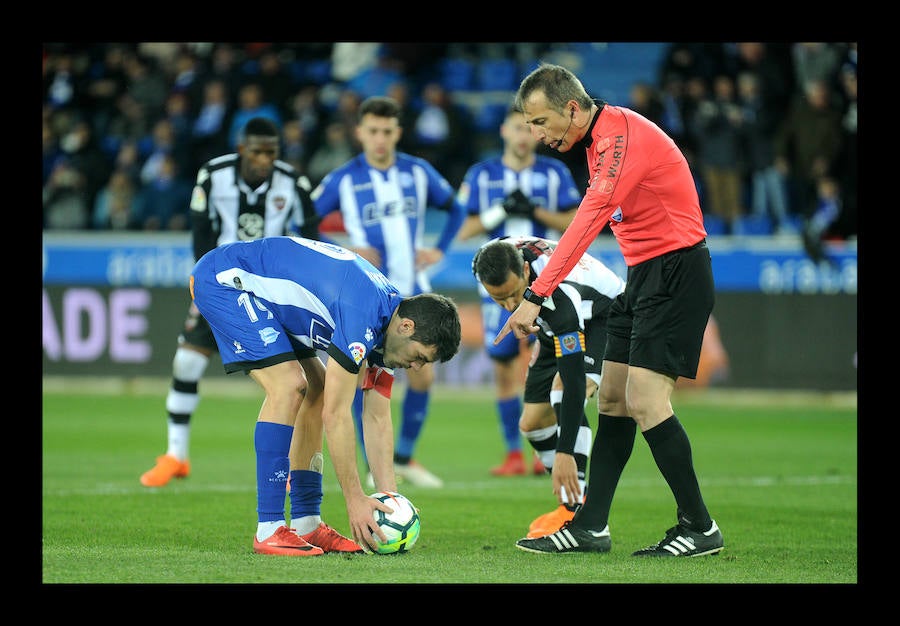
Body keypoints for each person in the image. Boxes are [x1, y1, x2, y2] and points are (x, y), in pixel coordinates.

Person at [500, 63, 724, 557]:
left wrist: (536, 295)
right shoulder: (599, 139)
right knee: (614, 400)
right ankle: (591, 526)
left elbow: (588, 220)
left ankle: (699, 526)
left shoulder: (618, 137)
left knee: (645, 400)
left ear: (572, 109)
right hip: (643, 275)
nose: (536, 135)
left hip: (676, 272)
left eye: (539, 122)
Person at [189, 235, 461, 554]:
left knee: (315, 390)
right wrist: (355, 500)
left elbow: (376, 416)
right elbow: (337, 415)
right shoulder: (364, 315)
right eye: (420, 357)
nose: (416, 367)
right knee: (289, 385)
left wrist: (391, 501)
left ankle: (307, 524)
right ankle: (269, 529)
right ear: (407, 327)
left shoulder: (387, 325)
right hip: (226, 280)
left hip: (269, 297)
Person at [140, 117, 321, 489]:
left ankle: (289, 461)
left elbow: (311, 237)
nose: (265, 159)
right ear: (242, 149)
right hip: (221, 287)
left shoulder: (294, 183)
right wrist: (202, 286)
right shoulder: (213, 175)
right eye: (257, 151)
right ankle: (176, 456)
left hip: (270, 291)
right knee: (187, 362)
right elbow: (200, 232)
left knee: (286, 380)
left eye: (271, 152)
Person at [311, 95, 466, 488]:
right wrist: (344, 246)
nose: (380, 139)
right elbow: (303, 216)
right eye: (373, 131)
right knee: (364, 375)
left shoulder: (417, 172)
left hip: (413, 290)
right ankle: (374, 463)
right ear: (360, 132)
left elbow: (457, 208)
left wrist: (440, 249)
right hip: (366, 296)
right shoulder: (344, 178)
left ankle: (405, 457)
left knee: (423, 377)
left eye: (387, 131)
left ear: (397, 133)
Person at [454, 105, 582, 478]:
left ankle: (549, 443)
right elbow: (461, 229)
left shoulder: (555, 172)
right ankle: (514, 453)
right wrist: (499, 213)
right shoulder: (482, 175)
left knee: (557, 362)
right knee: (506, 369)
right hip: (501, 287)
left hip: (548, 281)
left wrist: (537, 212)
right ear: (503, 131)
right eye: (517, 127)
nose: (523, 135)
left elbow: (577, 220)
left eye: (530, 128)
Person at [472, 236, 625, 539]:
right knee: (532, 423)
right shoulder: (487, 257)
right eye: (498, 299)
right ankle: (573, 502)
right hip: (548, 321)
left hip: (607, 316)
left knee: (561, 389)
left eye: (514, 295)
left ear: (527, 271)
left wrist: (564, 452)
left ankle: (578, 512)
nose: (510, 305)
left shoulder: (560, 297)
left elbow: (573, 383)